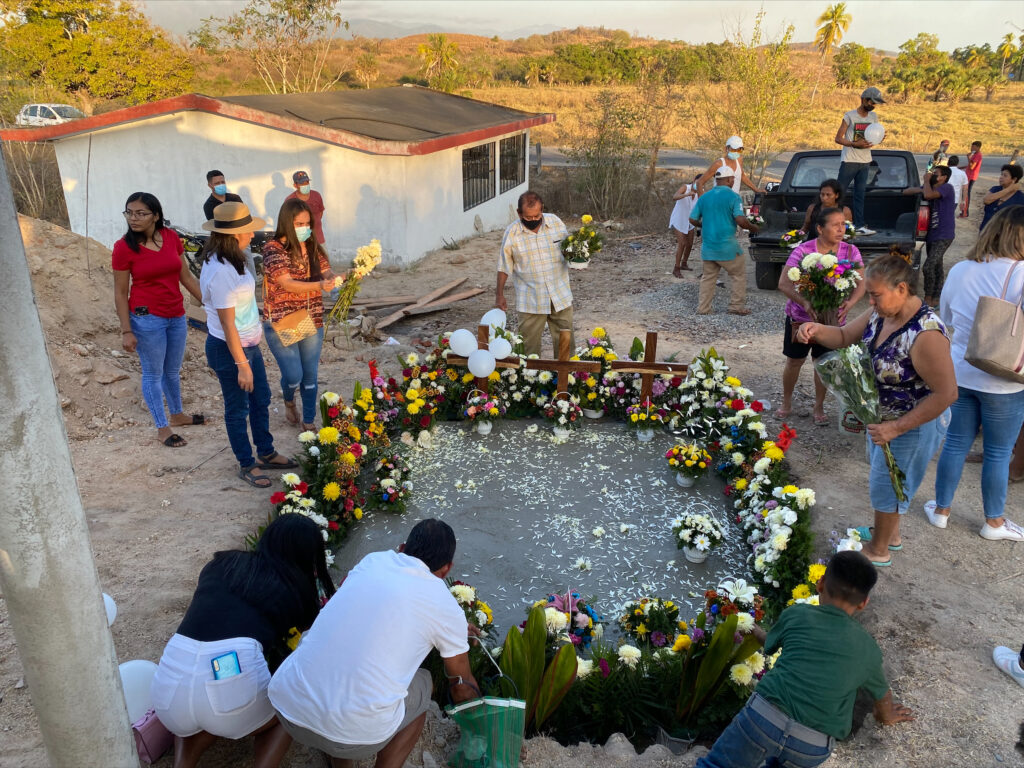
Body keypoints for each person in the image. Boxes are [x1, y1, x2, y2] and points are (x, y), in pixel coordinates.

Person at [269, 519, 480, 768]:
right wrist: (481, 726)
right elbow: (461, 686)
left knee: (340, 657)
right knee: (423, 682)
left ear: (402, 548)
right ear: (447, 569)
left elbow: (367, 614)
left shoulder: (373, 561)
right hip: (352, 736)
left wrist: (452, 630)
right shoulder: (445, 606)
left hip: (286, 710)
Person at [798, 252, 957, 566]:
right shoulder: (882, 315)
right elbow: (844, 336)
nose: (870, 302)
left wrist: (896, 428)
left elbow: (946, 394)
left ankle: (878, 550)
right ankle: (889, 536)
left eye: (875, 295)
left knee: (888, 484)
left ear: (901, 289)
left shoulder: (925, 334)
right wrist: (815, 329)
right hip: (884, 420)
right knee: (887, 479)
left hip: (912, 423)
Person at [696, 551, 913, 768]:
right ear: (863, 603)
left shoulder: (798, 614)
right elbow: (882, 694)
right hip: (812, 746)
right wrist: (886, 716)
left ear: (820, 584)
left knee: (717, 765)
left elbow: (769, 644)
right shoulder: (869, 648)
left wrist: (753, 628)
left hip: (762, 720)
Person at [150, 514, 335, 768]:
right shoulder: (293, 589)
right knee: (290, 710)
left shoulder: (220, 563)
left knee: (197, 706)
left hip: (168, 689)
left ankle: (182, 764)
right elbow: (310, 633)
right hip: (228, 679)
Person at [925, 207, 1024, 542]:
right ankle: (993, 522)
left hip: (960, 370)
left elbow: (947, 316)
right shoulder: (1022, 273)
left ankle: (941, 510)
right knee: (998, 452)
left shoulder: (962, 268)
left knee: (954, 443)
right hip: (1005, 378)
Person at [200, 201, 297, 488]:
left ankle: (265, 451)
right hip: (231, 350)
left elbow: (242, 308)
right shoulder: (220, 271)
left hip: (248, 346)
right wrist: (242, 364)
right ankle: (246, 462)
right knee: (238, 408)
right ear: (232, 236)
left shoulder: (237, 259)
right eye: (247, 231)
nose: (252, 235)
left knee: (260, 399)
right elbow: (228, 324)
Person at [113, 192, 206, 448]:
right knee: (153, 374)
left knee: (172, 371)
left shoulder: (170, 238)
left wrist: (211, 306)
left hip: (175, 314)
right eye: (129, 212)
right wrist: (126, 330)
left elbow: (186, 278)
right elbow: (120, 292)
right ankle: (162, 428)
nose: (133, 218)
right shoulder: (123, 248)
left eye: (140, 213)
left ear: (155, 215)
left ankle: (177, 415)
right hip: (146, 319)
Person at [778, 207, 866, 425]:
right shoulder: (804, 251)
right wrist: (805, 302)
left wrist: (850, 303)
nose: (841, 229)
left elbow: (861, 283)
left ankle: (819, 406)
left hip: (834, 322)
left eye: (843, 224)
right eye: (835, 225)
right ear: (819, 228)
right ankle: (786, 401)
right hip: (801, 317)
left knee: (824, 363)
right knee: (795, 361)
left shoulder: (850, 252)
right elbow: (784, 283)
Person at [262, 198, 341, 431]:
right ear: (287, 223)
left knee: (310, 376)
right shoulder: (273, 249)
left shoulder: (313, 248)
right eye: (299, 223)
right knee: (293, 375)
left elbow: (327, 272)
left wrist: (339, 280)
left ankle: (308, 420)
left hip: (311, 318)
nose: (304, 228)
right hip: (283, 319)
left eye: (307, 223)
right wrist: (320, 286)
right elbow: (287, 283)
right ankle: (288, 399)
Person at [495, 190, 572, 356]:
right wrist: (499, 295)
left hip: (560, 294)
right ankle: (530, 379)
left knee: (566, 344)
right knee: (528, 347)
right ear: (519, 213)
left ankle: (567, 380)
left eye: (537, 216)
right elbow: (504, 266)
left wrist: (579, 257)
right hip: (530, 299)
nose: (533, 221)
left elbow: (569, 248)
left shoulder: (556, 223)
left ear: (542, 209)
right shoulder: (512, 233)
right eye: (528, 217)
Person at [688, 166, 760, 316]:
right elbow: (740, 219)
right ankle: (736, 307)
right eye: (733, 178)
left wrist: (704, 224)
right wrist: (753, 228)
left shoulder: (705, 197)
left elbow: (692, 219)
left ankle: (704, 308)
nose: (734, 181)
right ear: (728, 180)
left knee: (708, 278)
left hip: (708, 248)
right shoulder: (733, 197)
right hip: (727, 247)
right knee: (738, 275)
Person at [834, 86, 886, 236]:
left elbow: (872, 136)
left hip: (865, 161)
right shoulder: (849, 116)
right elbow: (838, 138)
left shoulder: (873, 117)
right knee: (840, 194)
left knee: (860, 194)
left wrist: (880, 137)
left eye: (875, 104)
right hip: (850, 160)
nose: (873, 106)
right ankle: (837, 226)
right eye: (871, 102)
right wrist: (854, 144)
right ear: (863, 99)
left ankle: (859, 225)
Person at [903, 165, 955, 307]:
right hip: (932, 234)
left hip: (944, 234)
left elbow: (928, 196)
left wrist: (926, 182)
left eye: (935, 174)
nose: (931, 175)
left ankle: (929, 297)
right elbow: (906, 192)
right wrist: (923, 186)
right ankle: (937, 298)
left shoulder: (947, 187)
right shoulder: (928, 188)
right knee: (937, 266)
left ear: (943, 177)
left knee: (928, 266)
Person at [694, 135, 763, 197]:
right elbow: (700, 182)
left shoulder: (739, 160)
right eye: (733, 149)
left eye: (739, 150)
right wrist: (702, 204)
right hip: (719, 202)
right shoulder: (719, 164)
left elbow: (742, 176)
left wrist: (756, 190)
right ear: (726, 148)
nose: (736, 152)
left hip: (733, 201)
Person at [284, 171, 326, 245]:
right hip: (300, 241)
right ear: (295, 185)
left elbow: (320, 212)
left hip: (318, 239)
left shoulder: (316, 195)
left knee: (323, 256)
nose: (305, 185)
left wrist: (313, 223)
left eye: (307, 182)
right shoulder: (290, 200)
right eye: (301, 183)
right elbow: (288, 221)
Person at [670, 174, 699, 275]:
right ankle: (676, 268)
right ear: (694, 180)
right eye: (697, 182)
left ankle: (684, 263)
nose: (698, 185)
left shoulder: (700, 194)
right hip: (679, 219)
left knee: (690, 244)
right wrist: (686, 194)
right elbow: (675, 197)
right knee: (682, 243)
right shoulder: (685, 187)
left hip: (690, 221)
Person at [980, 164, 1024, 231]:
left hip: (1004, 236)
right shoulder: (995, 189)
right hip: (985, 231)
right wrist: (1009, 189)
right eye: (1001, 174)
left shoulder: (1020, 198)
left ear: (1014, 179)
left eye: (1005, 175)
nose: (1001, 177)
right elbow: (986, 200)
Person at [963, 141, 984, 217]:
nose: (971, 148)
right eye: (971, 146)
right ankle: (964, 211)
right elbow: (969, 165)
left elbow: (972, 167)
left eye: (973, 147)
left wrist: (969, 158)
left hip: (971, 176)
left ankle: (965, 212)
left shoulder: (978, 155)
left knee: (966, 194)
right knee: (965, 193)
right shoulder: (975, 154)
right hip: (969, 175)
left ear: (978, 147)